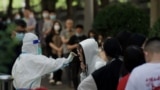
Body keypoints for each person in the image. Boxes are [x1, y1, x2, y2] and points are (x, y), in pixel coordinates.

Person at [12, 33, 76, 89]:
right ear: (34, 44)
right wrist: (67, 60)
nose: (38, 46)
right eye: (37, 43)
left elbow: (14, 74)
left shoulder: (20, 58)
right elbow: (52, 64)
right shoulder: (35, 58)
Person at [67, 24, 87, 89]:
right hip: (75, 58)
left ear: (82, 30)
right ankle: (76, 87)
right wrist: (75, 46)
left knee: (85, 73)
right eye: (77, 28)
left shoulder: (85, 37)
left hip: (83, 58)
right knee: (74, 74)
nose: (79, 30)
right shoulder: (73, 37)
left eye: (80, 28)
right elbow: (68, 46)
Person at [45, 20, 63, 85]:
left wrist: (60, 48)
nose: (57, 26)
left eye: (58, 25)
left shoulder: (62, 33)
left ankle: (59, 78)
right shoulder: (50, 34)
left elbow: (63, 42)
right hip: (52, 52)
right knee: (53, 65)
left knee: (60, 65)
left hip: (61, 52)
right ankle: (52, 78)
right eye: (55, 25)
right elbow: (49, 43)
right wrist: (57, 49)